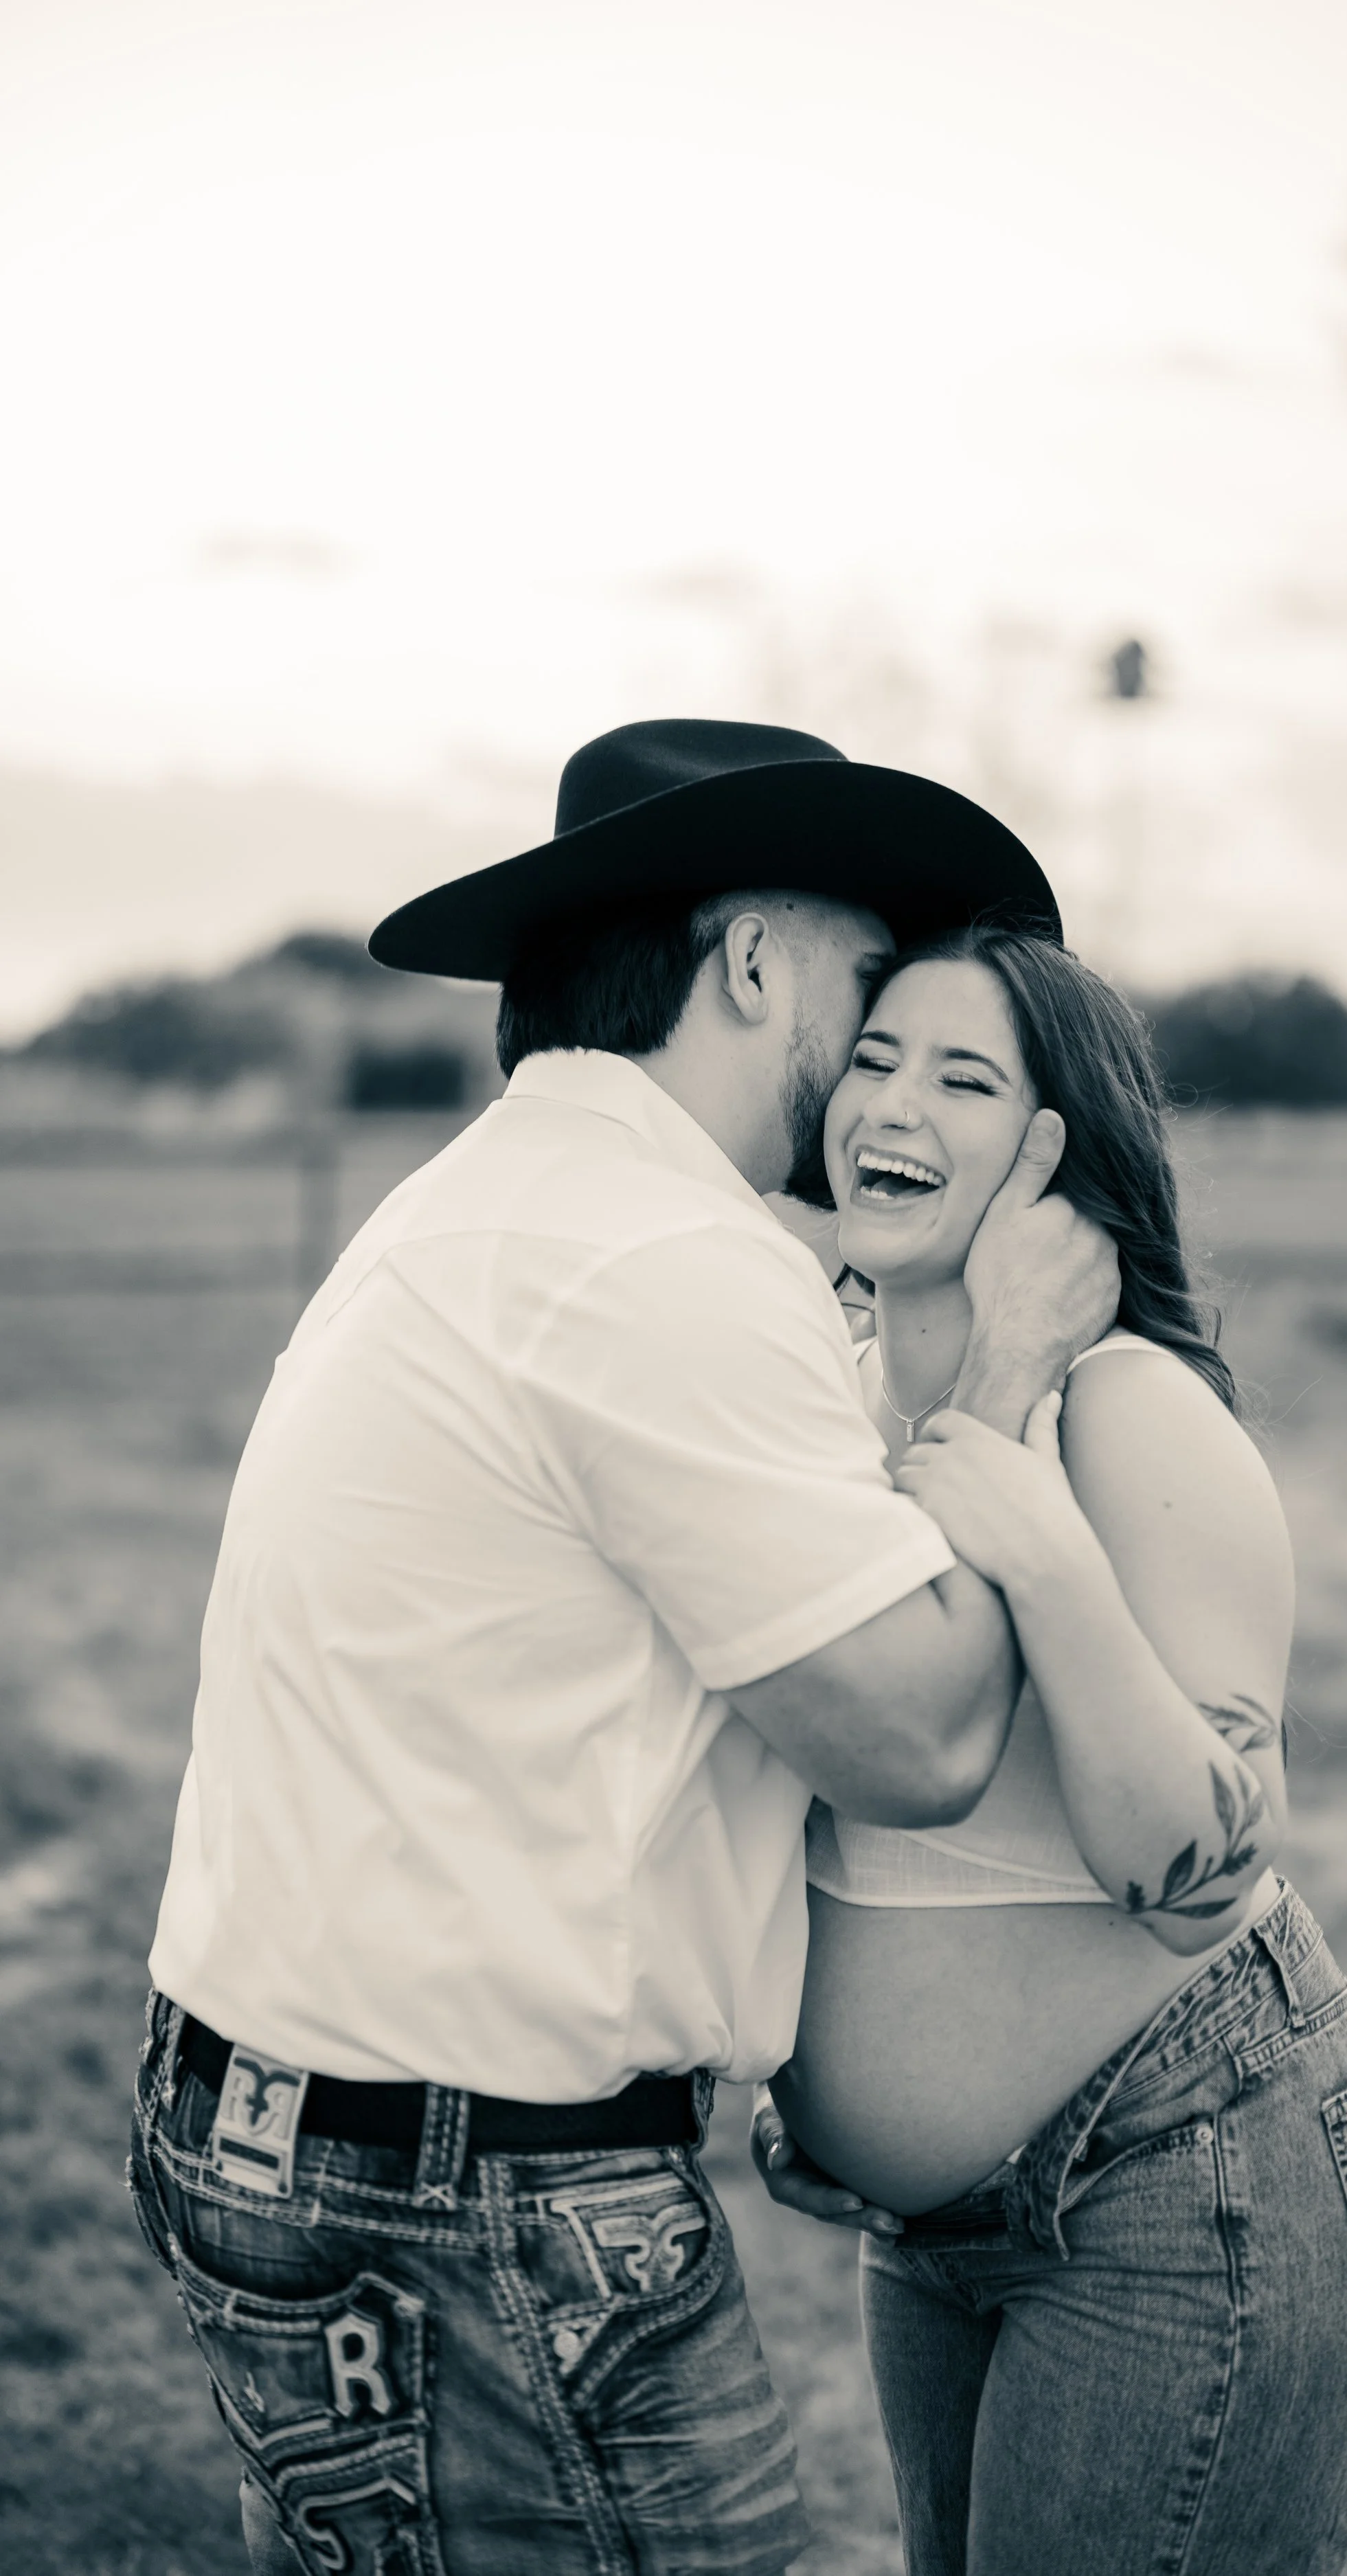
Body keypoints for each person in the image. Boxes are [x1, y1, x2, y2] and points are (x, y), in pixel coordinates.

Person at [127, 721, 1118, 2576]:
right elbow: (914, 1733)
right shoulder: (657, 1253)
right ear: (751, 959)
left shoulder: (488, 1203)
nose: (876, 1036)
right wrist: (1004, 1369)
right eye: (858, 979)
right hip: (469, 2189)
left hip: (296, 2116)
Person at [752, 923, 1347, 2576]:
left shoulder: (1127, 1415)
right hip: (930, 2235)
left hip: (1185, 2189)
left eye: (963, 1078)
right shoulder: (806, 1404)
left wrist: (1041, 1551)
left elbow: (1192, 1880)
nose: (888, 1103)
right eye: (874, 1058)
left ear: (1052, 1160)